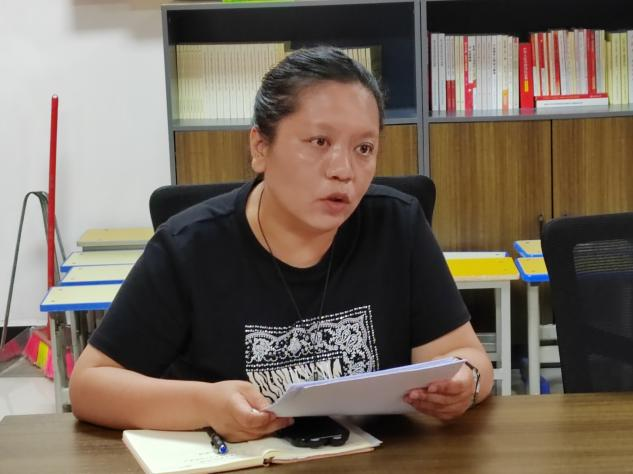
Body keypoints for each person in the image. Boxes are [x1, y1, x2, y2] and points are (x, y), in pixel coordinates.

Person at [70, 46, 493, 441]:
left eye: (364, 148)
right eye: (320, 142)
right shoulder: (188, 247)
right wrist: (206, 404)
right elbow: (90, 386)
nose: (344, 169)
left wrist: (465, 384)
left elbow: (467, 357)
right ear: (260, 147)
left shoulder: (397, 226)